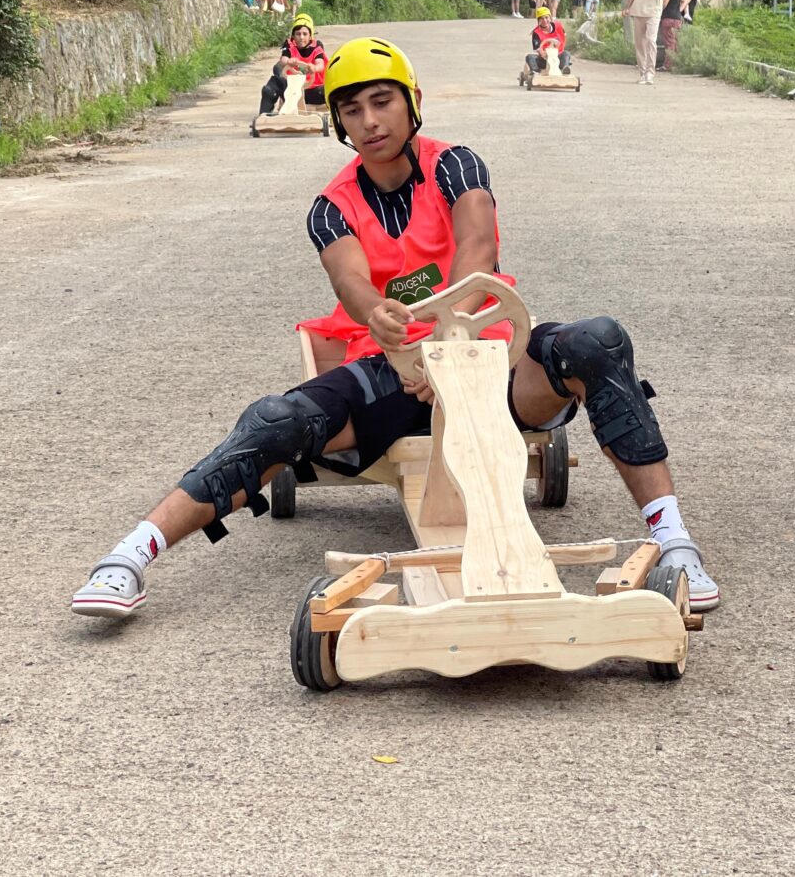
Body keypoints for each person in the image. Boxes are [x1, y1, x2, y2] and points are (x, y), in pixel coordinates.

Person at [70, 38, 722, 618]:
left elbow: (476, 245)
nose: (369, 121)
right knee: (274, 422)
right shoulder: (331, 207)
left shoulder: (457, 165)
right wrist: (375, 315)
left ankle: (674, 543)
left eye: (382, 102)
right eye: (351, 111)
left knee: (595, 342)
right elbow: (350, 282)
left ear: (411, 105)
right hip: (394, 379)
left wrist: (452, 344)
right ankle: (130, 556)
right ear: (338, 125)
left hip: (486, 363)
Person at [258, 13, 326, 116]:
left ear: (310, 35)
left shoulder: (316, 46)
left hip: (311, 89)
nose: (301, 37)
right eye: (298, 34)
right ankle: (263, 116)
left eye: (305, 34)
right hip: (290, 88)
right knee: (270, 88)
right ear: (293, 35)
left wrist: (314, 68)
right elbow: (283, 59)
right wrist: (289, 61)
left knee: (334, 91)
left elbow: (320, 64)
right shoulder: (289, 45)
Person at [622, 0, 669, 85]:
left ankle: (650, 73)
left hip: (653, 12)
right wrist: (627, 7)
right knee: (640, 44)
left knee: (650, 41)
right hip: (638, 11)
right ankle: (642, 73)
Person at [527, 7, 572, 74]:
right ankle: (535, 71)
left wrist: (557, 48)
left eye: (546, 17)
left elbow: (564, 37)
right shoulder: (536, 32)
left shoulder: (558, 26)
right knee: (529, 57)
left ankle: (564, 68)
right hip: (544, 59)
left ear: (550, 18)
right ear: (538, 20)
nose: (544, 20)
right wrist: (544, 54)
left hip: (557, 56)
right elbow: (537, 49)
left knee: (566, 53)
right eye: (541, 18)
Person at [657, 0, 686, 71]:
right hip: (677, 19)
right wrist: (679, 10)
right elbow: (684, 0)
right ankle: (676, 64)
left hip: (668, 19)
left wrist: (657, 13)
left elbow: (664, 4)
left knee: (669, 43)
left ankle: (667, 65)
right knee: (675, 42)